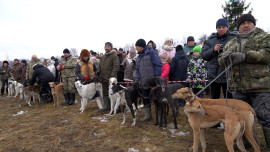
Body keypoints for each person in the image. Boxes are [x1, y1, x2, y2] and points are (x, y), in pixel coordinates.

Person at [218, 14, 270, 151]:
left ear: (253, 24)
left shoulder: (264, 37)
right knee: (240, 116)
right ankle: (246, 141)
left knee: (265, 116)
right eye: (242, 23)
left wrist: (246, 56)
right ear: (238, 26)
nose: (246, 25)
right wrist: (224, 58)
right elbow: (221, 62)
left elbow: (267, 54)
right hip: (238, 87)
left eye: (249, 22)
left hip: (260, 86)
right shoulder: (231, 42)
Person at [201, 18, 236, 99]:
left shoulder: (233, 38)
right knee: (214, 100)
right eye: (219, 27)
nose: (221, 29)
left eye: (223, 27)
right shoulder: (210, 40)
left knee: (230, 100)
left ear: (227, 27)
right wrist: (213, 50)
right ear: (216, 28)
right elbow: (203, 55)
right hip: (214, 76)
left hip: (229, 75)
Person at [135, 39, 162, 122]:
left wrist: (157, 77)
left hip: (153, 81)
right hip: (143, 82)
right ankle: (148, 116)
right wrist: (137, 78)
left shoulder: (152, 52)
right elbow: (137, 69)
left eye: (137, 47)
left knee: (157, 99)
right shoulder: (139, 56)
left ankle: (160, 116)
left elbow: (158, 64)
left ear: (141, 46)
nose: (136, 49)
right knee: (145, 98)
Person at [97, 42, 119, 112]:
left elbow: (116, 66)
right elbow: (100, 66)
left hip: (112, 79)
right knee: (105, 92)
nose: (107, 48)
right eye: (106, 46)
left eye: (108, 47)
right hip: (103, 78)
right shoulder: (103, 57)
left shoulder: (114, 56)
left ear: (111, 47)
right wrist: (98, 72)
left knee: (113, 93)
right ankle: (107, 106)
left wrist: (112, 76)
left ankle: (116, 107)